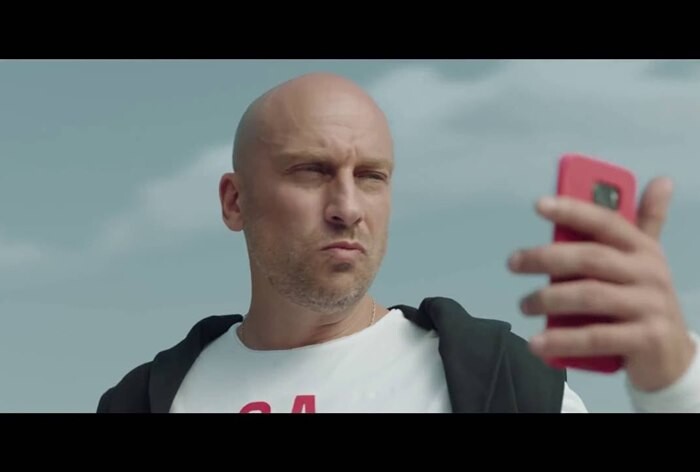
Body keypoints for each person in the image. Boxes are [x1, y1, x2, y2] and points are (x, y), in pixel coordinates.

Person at [97, 72, 700, 413]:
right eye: (311, 171)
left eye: (371, 176)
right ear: (235, 201)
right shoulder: (145, 401)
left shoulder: (497, 381)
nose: (347, 208)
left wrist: (673, 384)